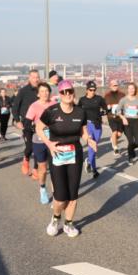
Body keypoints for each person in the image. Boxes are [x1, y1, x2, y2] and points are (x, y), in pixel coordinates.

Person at [36, 80, 97, 237]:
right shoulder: (52, 111)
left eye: (70, 91)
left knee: (73, 194)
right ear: (60, 94)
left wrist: (89, 140)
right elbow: (39, 128)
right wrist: (49, 144)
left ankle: (69, 223)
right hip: (57, 154)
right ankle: (56, 218)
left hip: (74, 154)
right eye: (64, 92)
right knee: (61, 196)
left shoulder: (80, 112)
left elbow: (83, 131)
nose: (67, 94)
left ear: (74, 93)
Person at [26, 83, 55, 204]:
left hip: (53, 140)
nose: (45, 93)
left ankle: (57, 195)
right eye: (42, 91)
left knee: (55, 169)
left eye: (47, 91)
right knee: (42, 169)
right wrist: (35, 128)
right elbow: (27, 124)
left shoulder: (54, 105)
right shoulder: (34, 106)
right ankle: (42, 189)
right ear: (38, 94)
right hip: (39, 141)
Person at [11, 69, 41, 177]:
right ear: (29, 78)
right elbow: (15, 107)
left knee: (38, 146)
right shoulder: (23, 91)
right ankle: (26, 158)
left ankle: (36, 168)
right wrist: (18, 121)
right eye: (33, 77)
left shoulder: (41, 90)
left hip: (40, 123)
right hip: (27, 123)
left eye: (37, 77)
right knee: (30, 146)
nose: (36, 79)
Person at [78, 80, 108, 178]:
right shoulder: (82, 100)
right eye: (91, 90)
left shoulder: (99, 99)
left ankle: (89, 163)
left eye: (94, 90)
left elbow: (105, 109)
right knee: (92, 145)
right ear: (87, 90)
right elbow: (77, 111)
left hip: (97, 125)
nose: (92, 92)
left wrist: (105, 112)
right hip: (87, 125)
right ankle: (93, 167)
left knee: (94, 147)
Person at [119, 82, 138, 161]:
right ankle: (130, 157)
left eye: (132, 88)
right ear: (127, 90)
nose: (131, 90)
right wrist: (123, 118)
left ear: (135, 90)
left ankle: (131, 149)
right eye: (129, 88)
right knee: (131, 141)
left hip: (135, 122)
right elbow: (117, 111)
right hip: (127, 122)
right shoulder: (123, 100)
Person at [103, 79, 124, 157]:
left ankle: (113, 139)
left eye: (116, 85)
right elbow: (104, 106)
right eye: (114, 85)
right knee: (114, 131)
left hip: (120, 116)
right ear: (110, 86)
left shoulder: (122, 94)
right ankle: (115, 148)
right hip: (111, 116)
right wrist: (109, 106)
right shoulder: (107, 95)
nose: (115, 87)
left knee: (119, 134)